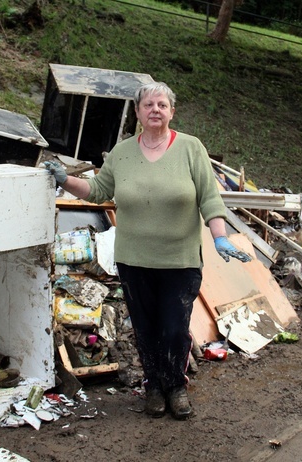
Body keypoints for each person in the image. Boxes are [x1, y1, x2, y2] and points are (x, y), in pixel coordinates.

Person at [45, 81, 249, 420]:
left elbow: (210, 198)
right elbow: (96, 190)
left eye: (162, 105)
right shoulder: (122, 153)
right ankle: (154, 386)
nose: (155, 110)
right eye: (148, 105)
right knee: (146, 328)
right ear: (138, 112)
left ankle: (176, 387)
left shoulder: (190, 148)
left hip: (179, 259)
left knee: (173, 327)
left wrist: (219, 236)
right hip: (134, 260)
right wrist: (65, 179)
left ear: (171, 111)